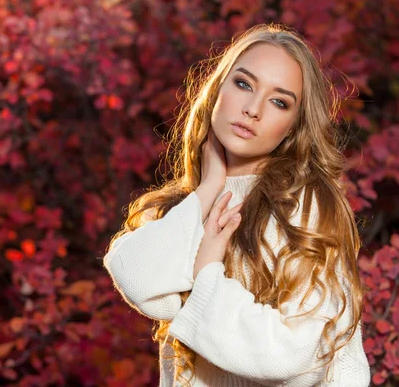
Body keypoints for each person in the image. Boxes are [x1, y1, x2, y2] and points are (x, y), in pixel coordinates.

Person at [103, 23, 371, 386]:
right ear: (217, 90)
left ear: (293, 126)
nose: (253, 109)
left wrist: (206, 271)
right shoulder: (182, 209)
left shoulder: (305, 208)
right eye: (243, 84)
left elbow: (287, 355)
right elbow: (138, 279)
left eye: (279, 101)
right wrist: (210, 187)